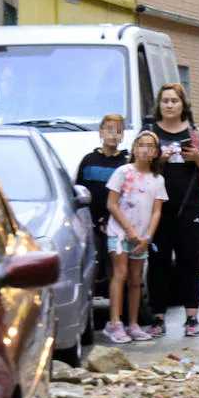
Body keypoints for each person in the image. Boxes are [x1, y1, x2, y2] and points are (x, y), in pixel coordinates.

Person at [147, 83, 199, 337]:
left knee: (190, 261)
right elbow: (136, 167)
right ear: (159, 105)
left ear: (183, 105)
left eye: (174, 101)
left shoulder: (196, 133)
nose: (169, 105)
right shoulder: (150, 134)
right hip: (157, 208)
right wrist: (161, 159)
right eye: (165, 101)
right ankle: (158, 317)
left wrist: (197, 157)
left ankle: (192, 318)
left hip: (190, 205)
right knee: (158, 262)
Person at [103, 131, 167, 344]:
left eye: (150, 146)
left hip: (142, 237)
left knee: (135, 280)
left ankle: (133, 323)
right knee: (119, 275)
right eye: (141, 145)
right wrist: (129, 230)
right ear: (133, 148)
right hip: (120, 233)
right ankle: (114, 322)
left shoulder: (157, 179)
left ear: (156, 153)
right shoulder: (123, 172)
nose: (145, 150)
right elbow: (111, 204)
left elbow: (157, 211)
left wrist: (147, 237)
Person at [75, 114, 129, 292]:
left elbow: (127, 197)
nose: (113, 135)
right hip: (91, 224)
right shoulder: (88, 160)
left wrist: (109, 220)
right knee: (92, 265)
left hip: (115, 224)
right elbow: (79, 192)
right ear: (101, 132)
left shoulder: (125, 163)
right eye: (109, 130)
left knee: (114, 267)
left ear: (122, 135)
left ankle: (116, 312)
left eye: (118, 131)